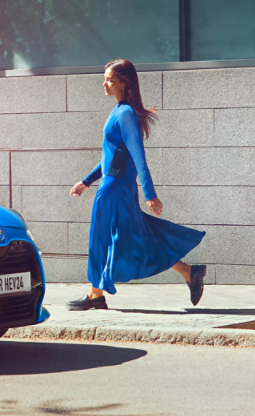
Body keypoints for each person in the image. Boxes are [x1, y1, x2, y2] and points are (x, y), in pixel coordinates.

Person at [66, 59, 207, 311]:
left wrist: (150, 194)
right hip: (114, 186)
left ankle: (95, 295)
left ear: (124, 82)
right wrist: (86, 182)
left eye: (110, 79)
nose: (105, 83)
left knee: (102, 237)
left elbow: (138, 156)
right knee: (137, 236)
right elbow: (109, 157)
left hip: (115, 189)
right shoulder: (119, 111)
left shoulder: (126, 114)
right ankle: (188, 272)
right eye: (105, 78)